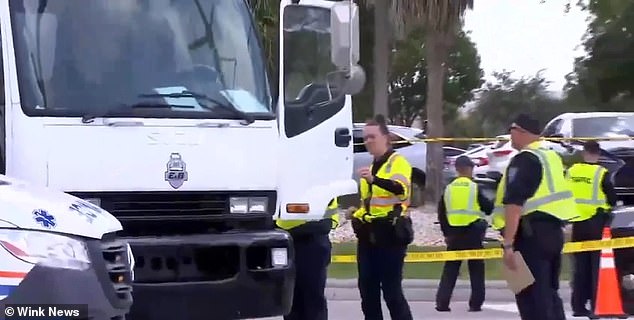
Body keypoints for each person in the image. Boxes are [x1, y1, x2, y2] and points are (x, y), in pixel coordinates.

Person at [490, 113, 577, 320]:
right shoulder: (551, 157)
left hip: (529, 236)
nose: (510, 134)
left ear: (521, 132)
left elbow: (514, 203)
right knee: (548, 293)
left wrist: (508, 244)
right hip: (552, 233)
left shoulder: (524, 159)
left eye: (512, 129)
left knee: (530, 297)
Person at [350, 114, 414, 320]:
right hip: (369, 237)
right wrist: (356, 215)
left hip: (391, 233)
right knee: (367, 291)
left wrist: (375, 179)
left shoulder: (398, 162)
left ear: (386, 137)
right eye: (365, 137)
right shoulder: (368, 169)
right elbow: (367, 204)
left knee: (392, 291)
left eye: (372, 137)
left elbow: (400, 190)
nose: (368, 141)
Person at [435, 155, 494, 312]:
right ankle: (475, 304)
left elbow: (442, 213)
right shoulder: (474, 187)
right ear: (468, 169)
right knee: (476, 270)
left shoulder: (448, 189)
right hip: (473, 234)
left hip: (454, 234)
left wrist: (446, 233)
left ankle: (442, 303)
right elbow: (488, 207)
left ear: (457, 169)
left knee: (451, 269)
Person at [566, 140, 618, 317]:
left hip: (576, 223)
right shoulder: (601, 173)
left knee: (579, 267)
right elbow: (612, 199)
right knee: (597, 266)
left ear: (583, 153)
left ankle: (578, 306)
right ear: (598, 154)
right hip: (596, 223)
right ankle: (597, 305)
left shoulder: (572, 171)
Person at [275, 197, 340, 320]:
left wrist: (284, 230)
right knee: (290, 299)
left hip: (312, 242)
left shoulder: (321, 186)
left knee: (312, 299)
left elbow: (325, 223)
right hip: (286, 242)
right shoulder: (285, 183)